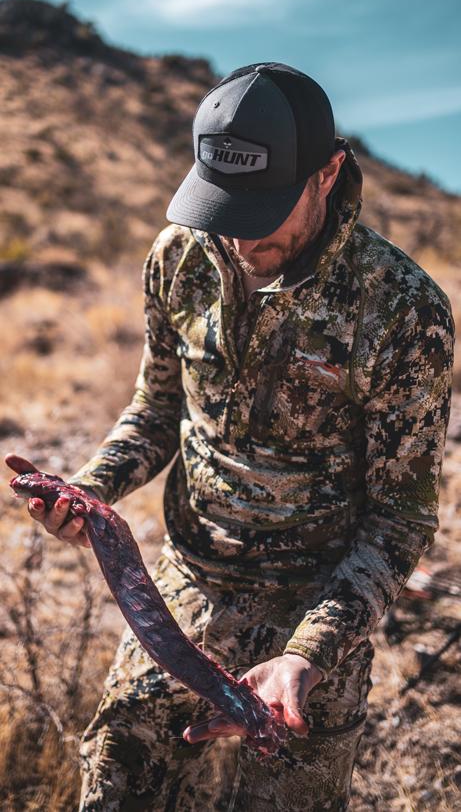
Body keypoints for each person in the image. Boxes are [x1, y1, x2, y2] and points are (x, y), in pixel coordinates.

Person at [7, 62, 454, 811]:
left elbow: (398, 517)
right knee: (115, 778)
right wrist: (90, 489)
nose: (240, 241)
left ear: (328, 172)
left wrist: (307, 653)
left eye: (264, 209)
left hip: (320, 605)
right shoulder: (178, 258)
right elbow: (156, 409)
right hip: (191, 582)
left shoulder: (402, 309)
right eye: (224, 207)